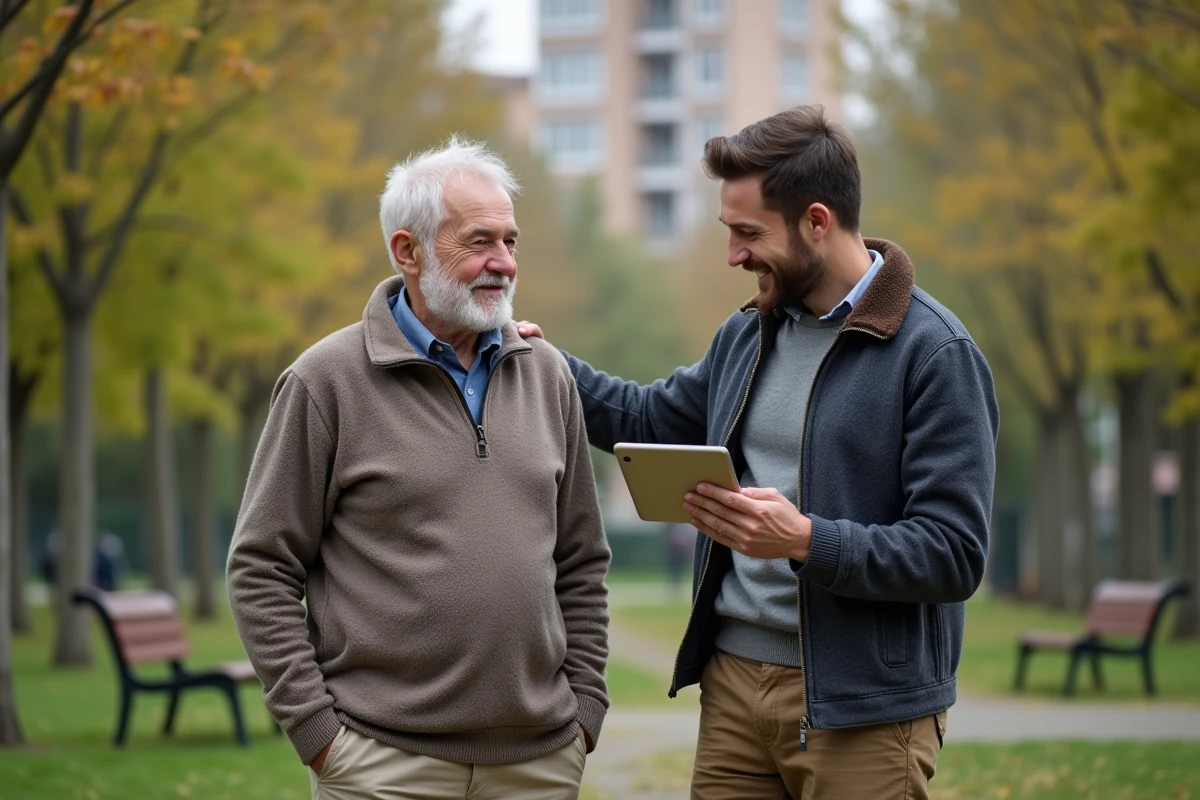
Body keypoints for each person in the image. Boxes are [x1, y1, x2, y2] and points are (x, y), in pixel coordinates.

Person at [517, 105, 999, 799]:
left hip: (863, 712)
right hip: (734, 691)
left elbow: (952, 553)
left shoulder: (935, 355)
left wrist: (804, 539)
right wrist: (543, 361)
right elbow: (650, 415)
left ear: (817, 222)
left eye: (748, 233)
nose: (734, 255)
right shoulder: (748, 334)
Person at [227, 136, 611, 800]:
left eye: (511, 242)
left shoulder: (547, 374)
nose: (504, 263)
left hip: (540, 763)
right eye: (480, 242)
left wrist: (585, 711)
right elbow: (260, 565)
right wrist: (319, 735)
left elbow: (582, 559)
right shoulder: (325, 383)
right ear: (407, 251)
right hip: (382, 764)